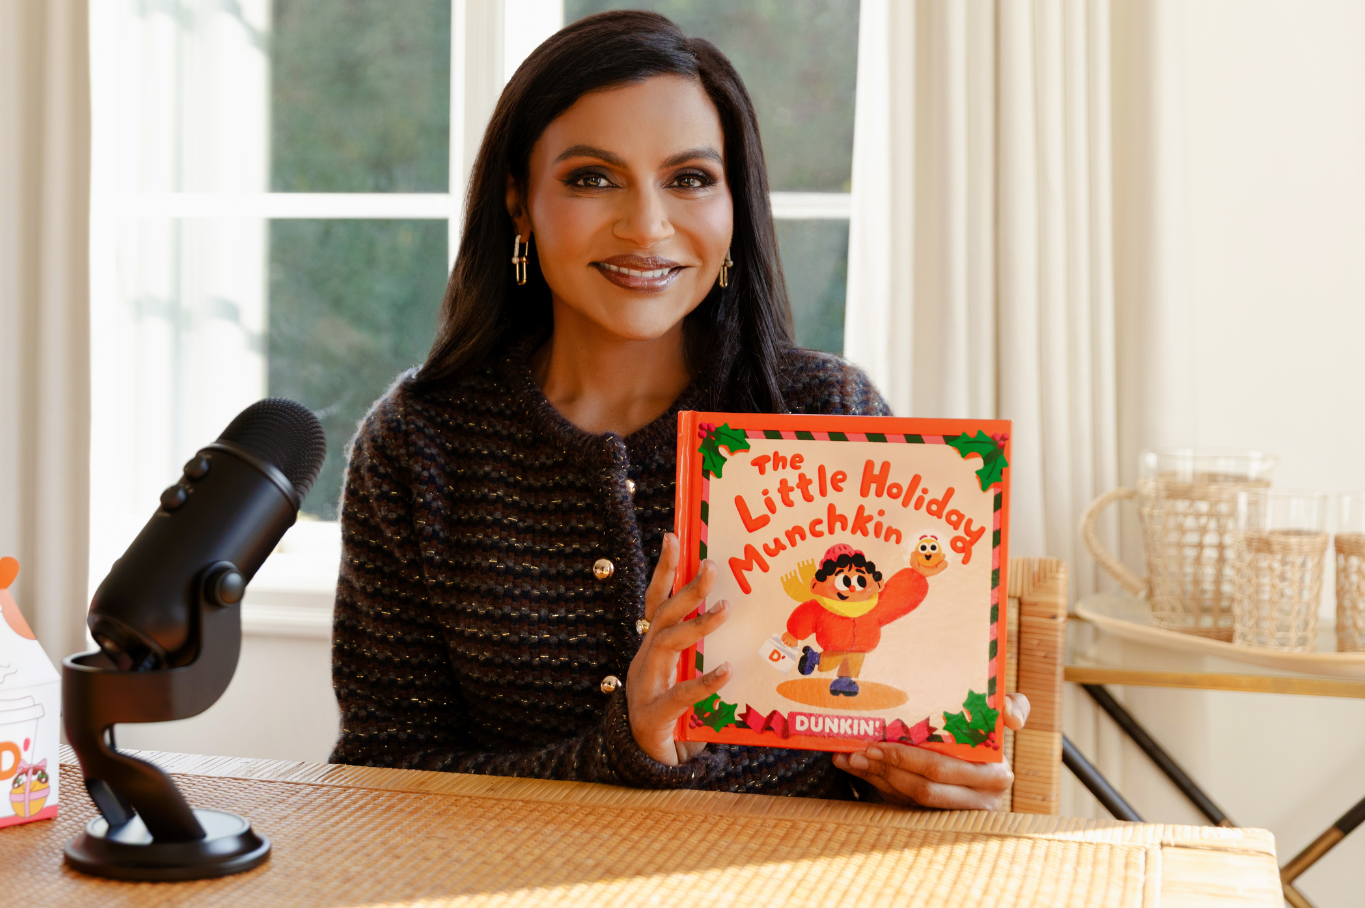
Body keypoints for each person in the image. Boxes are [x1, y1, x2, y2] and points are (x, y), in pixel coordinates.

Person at [328, 10, 1027, 809]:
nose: (647, 226)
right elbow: (380, 774)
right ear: (518, 202)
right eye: (592, 177)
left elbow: (894, 711)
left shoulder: (828, 412)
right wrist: (620, 752)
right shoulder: (419, 444)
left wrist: (937, 776)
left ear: (736, 204)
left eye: (689, 179)